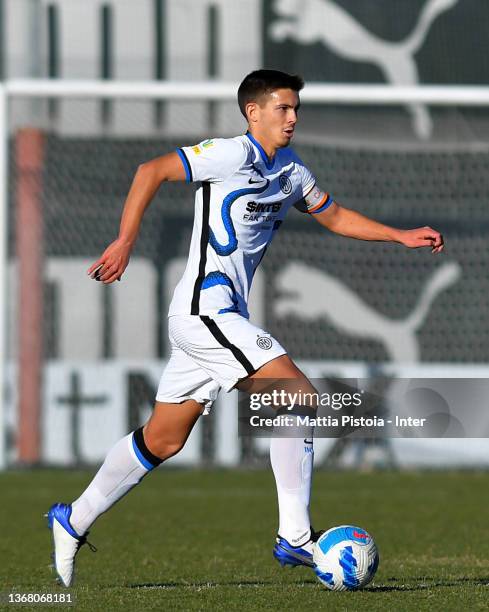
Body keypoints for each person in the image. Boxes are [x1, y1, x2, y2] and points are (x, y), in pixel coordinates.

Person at [47, 69, 444, 587]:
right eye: (283, 108)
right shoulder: (230, 154)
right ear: (253, 112)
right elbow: (151, 170)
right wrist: (125, 240)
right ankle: (296, 537)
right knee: (297, 396)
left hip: (223, 318)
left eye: (297, 108)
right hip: (204, 312)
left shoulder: (293, 169)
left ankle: (72, 519)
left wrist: (398, 236)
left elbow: (334, 214)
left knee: (164, 439)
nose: (293, 117)